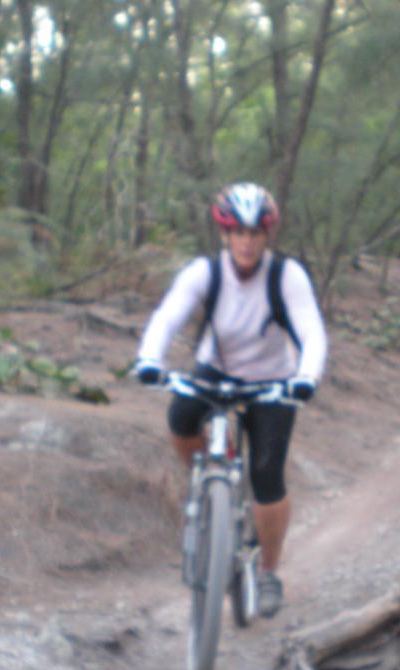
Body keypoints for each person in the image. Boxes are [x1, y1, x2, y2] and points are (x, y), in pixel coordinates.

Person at [134, 182, 327, 618]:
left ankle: (270, 572)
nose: (246, 241)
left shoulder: (286, 275)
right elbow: (167, 317)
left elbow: (312, 332)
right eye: (237, 232)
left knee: (267, 474)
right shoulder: (205, 272)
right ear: (224, 235)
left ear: (266, 237)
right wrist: (150, 359)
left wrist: (306, 378)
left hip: (272, 380)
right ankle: (210, 483)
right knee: (181, 420)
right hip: (215, 370)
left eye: (255, 233)